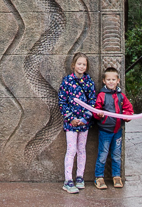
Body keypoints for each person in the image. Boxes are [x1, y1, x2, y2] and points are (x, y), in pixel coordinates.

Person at [58, 52, 97, 194]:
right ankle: (68, 180)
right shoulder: (67, 81)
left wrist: (85, 118)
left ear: (86, 67)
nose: (81, 66)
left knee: (82, 150)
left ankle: (79, 176)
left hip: (84, 123)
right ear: (73, 65)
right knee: (71, 150)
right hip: (71, 124)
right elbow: (62, 102)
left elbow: (92, 101)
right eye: (79, 64)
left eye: (84, 64)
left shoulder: (89, 82)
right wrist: (70, 118)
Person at [92, 67, 133, 189]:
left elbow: (128, 109)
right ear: (104, 81)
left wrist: (126, 116)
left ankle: (116, 176)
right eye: (108, 79)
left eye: (113, 79)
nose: (111, 82)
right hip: (105, 130)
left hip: (117, 131)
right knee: (103, 154)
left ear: (118, 81)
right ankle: (99, 177)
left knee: (116, 155)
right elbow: (96, 110)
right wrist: (98, 114)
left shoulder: (121, 96)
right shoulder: (101, 95)